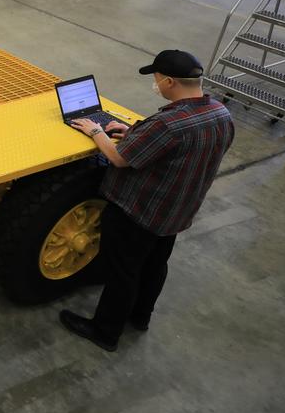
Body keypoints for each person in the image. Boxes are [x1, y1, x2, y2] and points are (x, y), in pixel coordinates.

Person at [60, 49, 234, 351]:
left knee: (123, 272)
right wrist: (132, 132)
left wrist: (96, 130)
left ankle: (105, 331)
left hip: (139, 212)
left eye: (156, 80)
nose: (156, 85)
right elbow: (184, 150)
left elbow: (118, 157)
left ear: (169, 82)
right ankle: (141, 317)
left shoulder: (168, 123)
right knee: (155, 265)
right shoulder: (221, 113)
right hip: (177, 211)